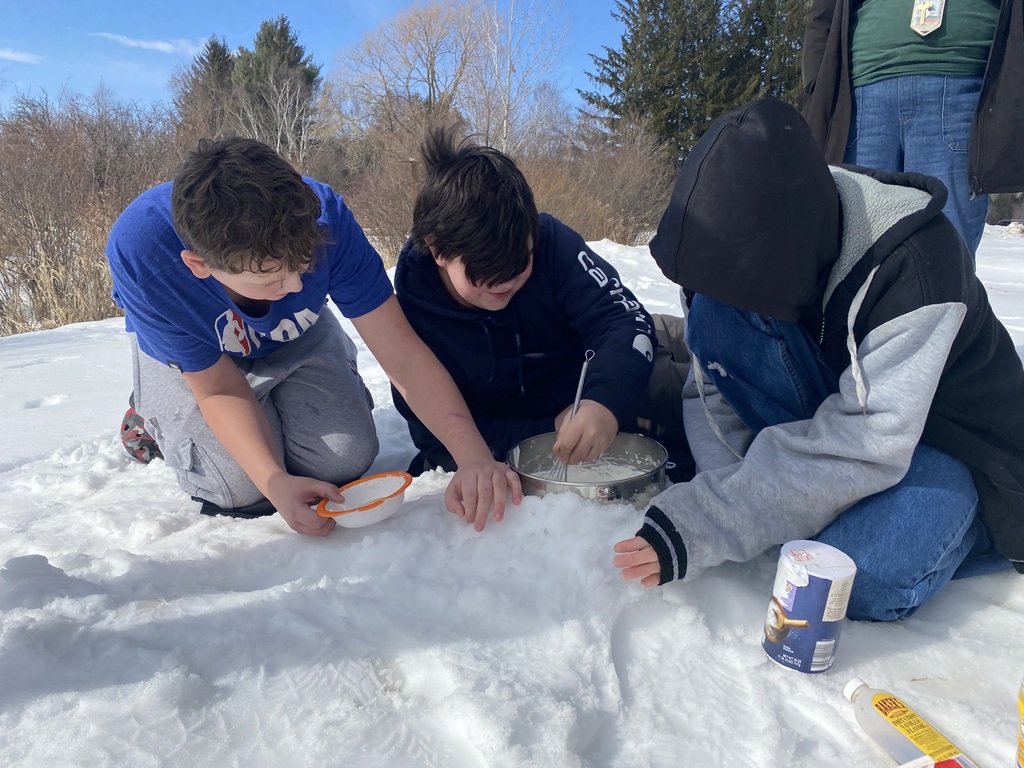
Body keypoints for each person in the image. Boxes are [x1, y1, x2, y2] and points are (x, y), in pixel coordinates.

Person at [612, 98, 1024, 622]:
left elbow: (869, 441)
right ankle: (816, 498)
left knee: (850, 581)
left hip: (947, 447)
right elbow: (710, 385)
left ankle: (968, 527)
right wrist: (744, 498)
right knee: (718, 317)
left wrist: (709, 521)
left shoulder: (917, 270)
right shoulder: (744, 237)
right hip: (845, 414)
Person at [105, 136, 521, 537]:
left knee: (343, 461)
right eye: (269, 278)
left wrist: (473, 457)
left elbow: (404, 355)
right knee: (238, 488)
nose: (292, 287)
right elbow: (217, 389)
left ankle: (275, 396)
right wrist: (272, 481)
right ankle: (150, 413)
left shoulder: (325, 218)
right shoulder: (143, 253)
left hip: (291, 334)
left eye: (303, 266)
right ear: (198, 265)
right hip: (204, 351)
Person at [391, 126, 690, 482]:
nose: (504, 285)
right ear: (438, 249)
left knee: (715, 388)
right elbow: (438, 440)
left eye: (520, 267)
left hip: (597, 378)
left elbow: (623, 320)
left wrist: (604, 403)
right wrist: (548, 428)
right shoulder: (407, 317)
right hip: (531, 426)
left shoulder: (550, 242)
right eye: (484, 277)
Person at [800, 0, 1024, 259]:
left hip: (961, 86)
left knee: (942, 261)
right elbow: (822, 15)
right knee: (855, 259)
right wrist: (817, 89)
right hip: (860, 96)